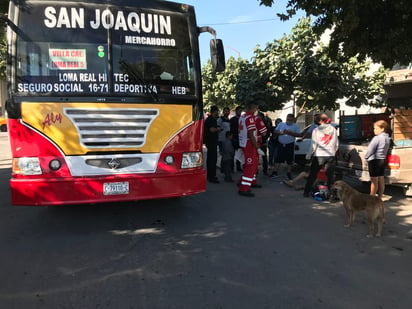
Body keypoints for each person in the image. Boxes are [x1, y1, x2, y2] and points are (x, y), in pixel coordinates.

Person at [303, 113, 338, 197]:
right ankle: (332, 196)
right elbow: (336, 143)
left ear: (320, 121)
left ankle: (306, 192)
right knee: (330, 176)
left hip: (319, 155)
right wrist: (333, 152)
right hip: (330, 155)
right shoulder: (333, 129)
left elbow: (314, 144)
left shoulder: (316, 130)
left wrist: (309, 155)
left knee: (313, 174)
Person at [238, 102, 260, 197]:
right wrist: (257, 147)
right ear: (254, 107)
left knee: (251, 165)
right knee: (250, 166)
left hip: (243, 143)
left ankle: (252, 181)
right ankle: (244, 188)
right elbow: (251, 134)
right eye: (257, 108)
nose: (257, 110)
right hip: (249, 144)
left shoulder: (242, 117)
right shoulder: (250, 118)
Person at [364, 120, 391, 199]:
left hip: (374, 160)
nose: (374, 130)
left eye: (376, 128)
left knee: (374, 181)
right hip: (382, 160)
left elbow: (370, 150)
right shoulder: (387, 138)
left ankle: (371, 198)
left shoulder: (377, 138)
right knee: (381, 179)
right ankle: (379, 197)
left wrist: (366, 157)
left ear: (382, 129)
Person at [271, 114, 301, 180]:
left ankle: (288, 173)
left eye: (290, 120)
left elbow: (299, 134)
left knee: (289, 160)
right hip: (281, 144)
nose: (288, 121)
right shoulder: (281, 124)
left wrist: (290, 133)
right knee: (277, 158)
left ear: (293, 120)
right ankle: (275, 172)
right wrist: (281, 133)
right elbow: (275, 131)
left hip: (289, 144)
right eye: (288, 119)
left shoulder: (295, 126)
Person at [203, 105, 222, 183]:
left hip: (210, 141)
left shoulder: (210, 119)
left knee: (211, 159)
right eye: (217, 111)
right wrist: (219, 129)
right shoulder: (211, 119)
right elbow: (212, 129)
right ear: (215, 111)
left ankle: (210, 175)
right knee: (212, 159)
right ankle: (212, 176)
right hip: (211, 141)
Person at [217, 107, 231, 173]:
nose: (226, 112)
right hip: (221, 139)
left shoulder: (228, 119)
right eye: (225, 111)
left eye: (228, 111)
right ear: (223, 112)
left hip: (227, 140)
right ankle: (221, 167)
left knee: (226, 154)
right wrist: (220, 129)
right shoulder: (220, 119)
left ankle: (224, 168)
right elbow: (217, 127)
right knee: (223, 154)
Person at [230, 106, 243, 172]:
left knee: (239, 153)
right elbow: (230, 129)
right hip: (233, 138)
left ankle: (238, 167)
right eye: (239, 111)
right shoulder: (232, 120)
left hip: (240, 138)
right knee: (232, 153)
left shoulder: (242, 119)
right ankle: (231, 168)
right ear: (236, 111)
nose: (240, 112)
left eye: (241, 111)